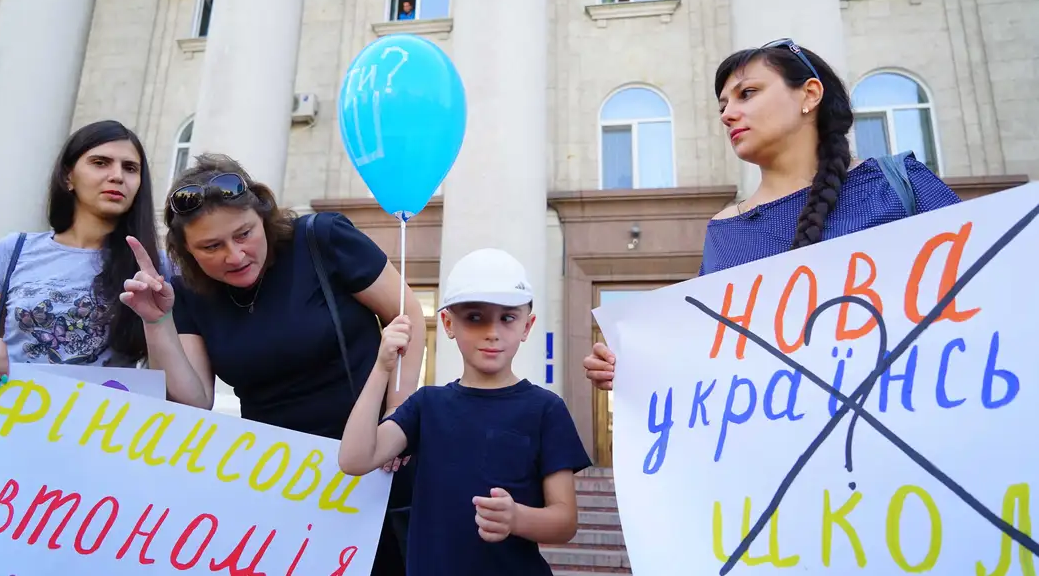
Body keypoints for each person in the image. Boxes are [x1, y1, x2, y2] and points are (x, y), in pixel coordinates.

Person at [583, 38, 962, 390]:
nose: (728, 114)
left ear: (810, 94)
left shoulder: (899, 184)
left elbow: (989, 296)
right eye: (722, 105)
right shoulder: (725, 232)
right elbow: (712, 353)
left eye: (747, 93)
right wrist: (635, 365)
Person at [119, 153, 425, 575]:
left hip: (376, 466)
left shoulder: (322, 238)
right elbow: (193, 401)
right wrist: (158, 322)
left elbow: (406, 314)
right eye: (211, 247)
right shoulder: (187, 292)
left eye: (244, 233)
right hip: (284, 484)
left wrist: (398, 416)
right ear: (186, 252)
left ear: (263, 216)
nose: (234, 255)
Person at [338, 248, 592, 575]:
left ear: (527, 326)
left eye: (508, 317)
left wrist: (518, 518)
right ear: (447, 323)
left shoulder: (546, 409)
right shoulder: (426, 406)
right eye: (475, 317)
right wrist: (382, 367)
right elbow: (354, 459)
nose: (492, 331)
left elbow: (565, 521)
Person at [0, 119, 164, 386]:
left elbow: (169, 378)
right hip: (6, 414)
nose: (118, 176)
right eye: (100, 163)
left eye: (130, 168)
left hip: (100, 422)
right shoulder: (15, 250)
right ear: (67, 176)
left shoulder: (153, 268)